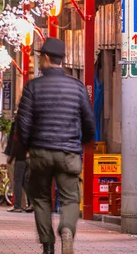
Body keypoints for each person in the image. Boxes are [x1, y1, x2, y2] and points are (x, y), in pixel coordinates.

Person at [17, 37, 95, 254]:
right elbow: (89, 120)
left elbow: (23, 123)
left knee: (41, 198)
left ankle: (48, 245)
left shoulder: (33, 87)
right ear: (62, 59)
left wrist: (24, 149)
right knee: (70, 198)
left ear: (46, 58)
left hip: (40, 152)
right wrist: (86, 142)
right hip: (68, 152)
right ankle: (67, 229)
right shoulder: (77, 88)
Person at [7, 124, 32, 213]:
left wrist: (10, 158)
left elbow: (15, 146)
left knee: (17, 181)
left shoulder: (18, 134)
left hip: (20, 159)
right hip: (28, 159)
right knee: (25, 182)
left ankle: (17, 206)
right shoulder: (29, 132)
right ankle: (32, 203)